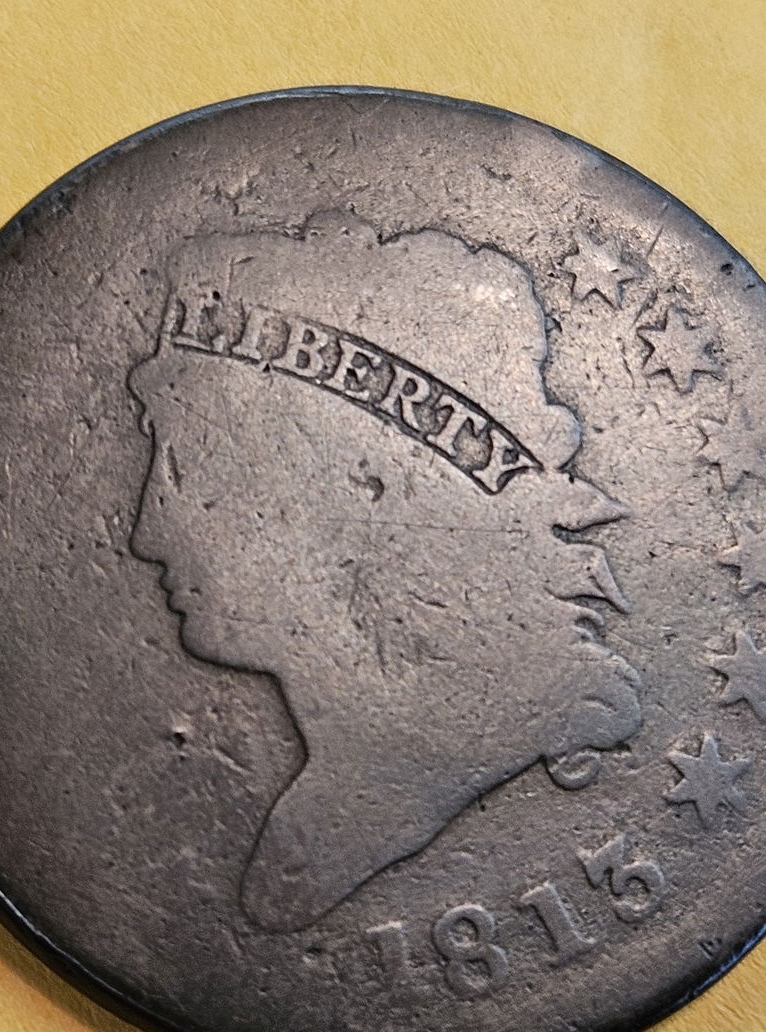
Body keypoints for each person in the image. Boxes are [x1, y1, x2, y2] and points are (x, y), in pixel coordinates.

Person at [128, 212, 642, 932]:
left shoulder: (414, 782)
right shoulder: (336, 801)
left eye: (191, 471)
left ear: (362, 488)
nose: (146, 535)